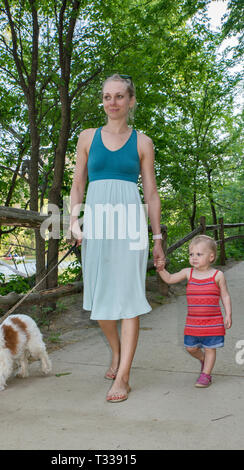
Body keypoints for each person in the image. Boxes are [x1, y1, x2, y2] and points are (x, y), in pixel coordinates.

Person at [69, 74, 165, 402]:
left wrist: (157, 238)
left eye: (120, 96)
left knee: (129, 296)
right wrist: (74, 221)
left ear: (131, 100)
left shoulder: (143, 142)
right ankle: (116, 351)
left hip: (130, 225)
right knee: (100, 300)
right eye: (107, 96)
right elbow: (78, 183)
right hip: (96, 223)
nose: (113, 102)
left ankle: (123, 375)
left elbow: (151, 193)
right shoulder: (86, 137)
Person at [157, 234, 232, 388]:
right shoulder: (188, 273)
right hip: (193, 322)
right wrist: (161, 269)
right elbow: (170, 278)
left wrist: (228, 314)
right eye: (191, 254)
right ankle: (204, 361)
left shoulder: (218, 275)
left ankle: (206, 375)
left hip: (213, 321)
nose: (194, 258)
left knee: (211, 349)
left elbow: (225, 295)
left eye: (199, 254)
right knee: (191, 348)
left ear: (211, 257)